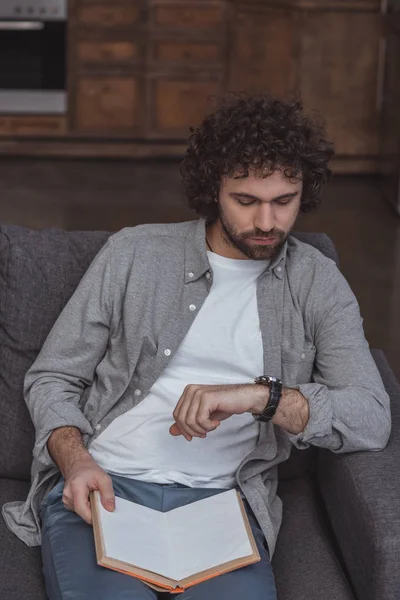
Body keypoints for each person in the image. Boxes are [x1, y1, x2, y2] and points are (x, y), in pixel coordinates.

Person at [2, 94, 391, 600]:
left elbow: (370, 417)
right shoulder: (134, 253)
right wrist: (76, 461)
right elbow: (53, 376)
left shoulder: (318, 283)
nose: (268, 222)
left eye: (284, 200)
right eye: (246, 201)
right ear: (213, 189)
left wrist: (261, 396)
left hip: (223, 503)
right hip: (108, 485)